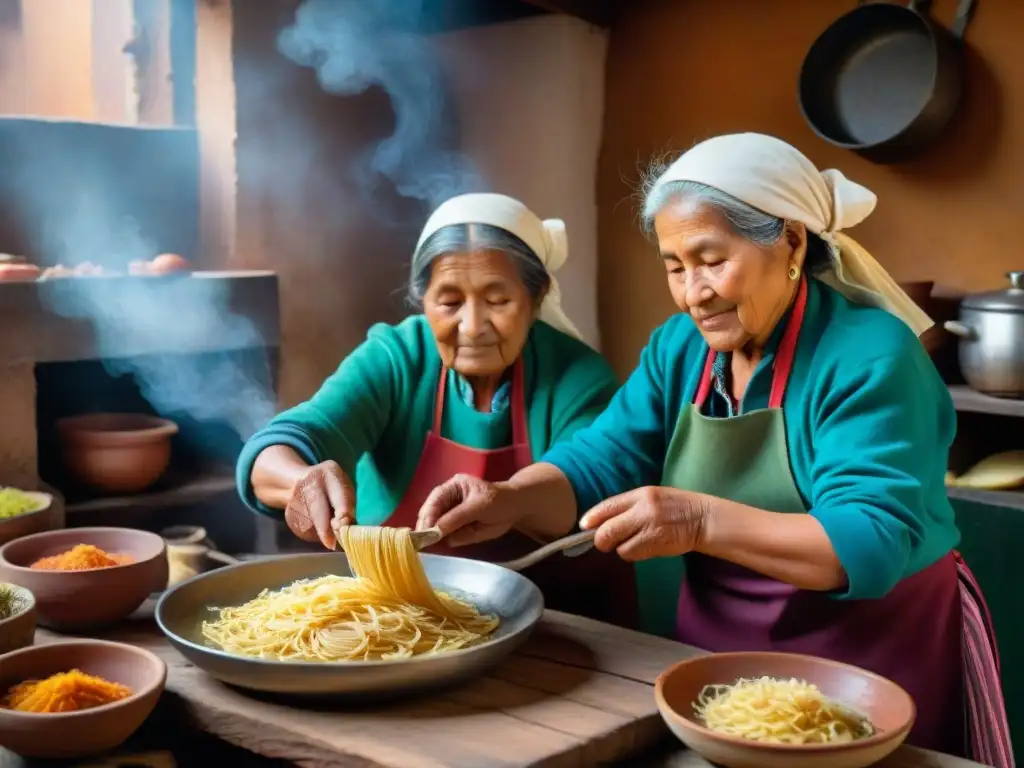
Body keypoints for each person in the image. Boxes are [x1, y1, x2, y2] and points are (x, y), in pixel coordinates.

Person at [416, 135, 1012, 763]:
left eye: (711, 260)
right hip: (718, 662)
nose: (693, 292)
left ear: (791, 243)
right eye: (675, 265)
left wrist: (698, 519)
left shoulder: (871, 357)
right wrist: (509, 497)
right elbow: (602, 460)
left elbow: (867, 540)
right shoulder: (681, 348)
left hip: (871, 657)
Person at [237, 192, 635, 625]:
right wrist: (299, 479)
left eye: (497, 300)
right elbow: (286, 443)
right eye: (449, 302)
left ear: (536, 297)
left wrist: (510, 499)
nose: (472, 326)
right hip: (391, 616)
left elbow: (589, 485)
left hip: (544, 618)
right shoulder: (397, 358)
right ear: (422, 301)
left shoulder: (576, 375)